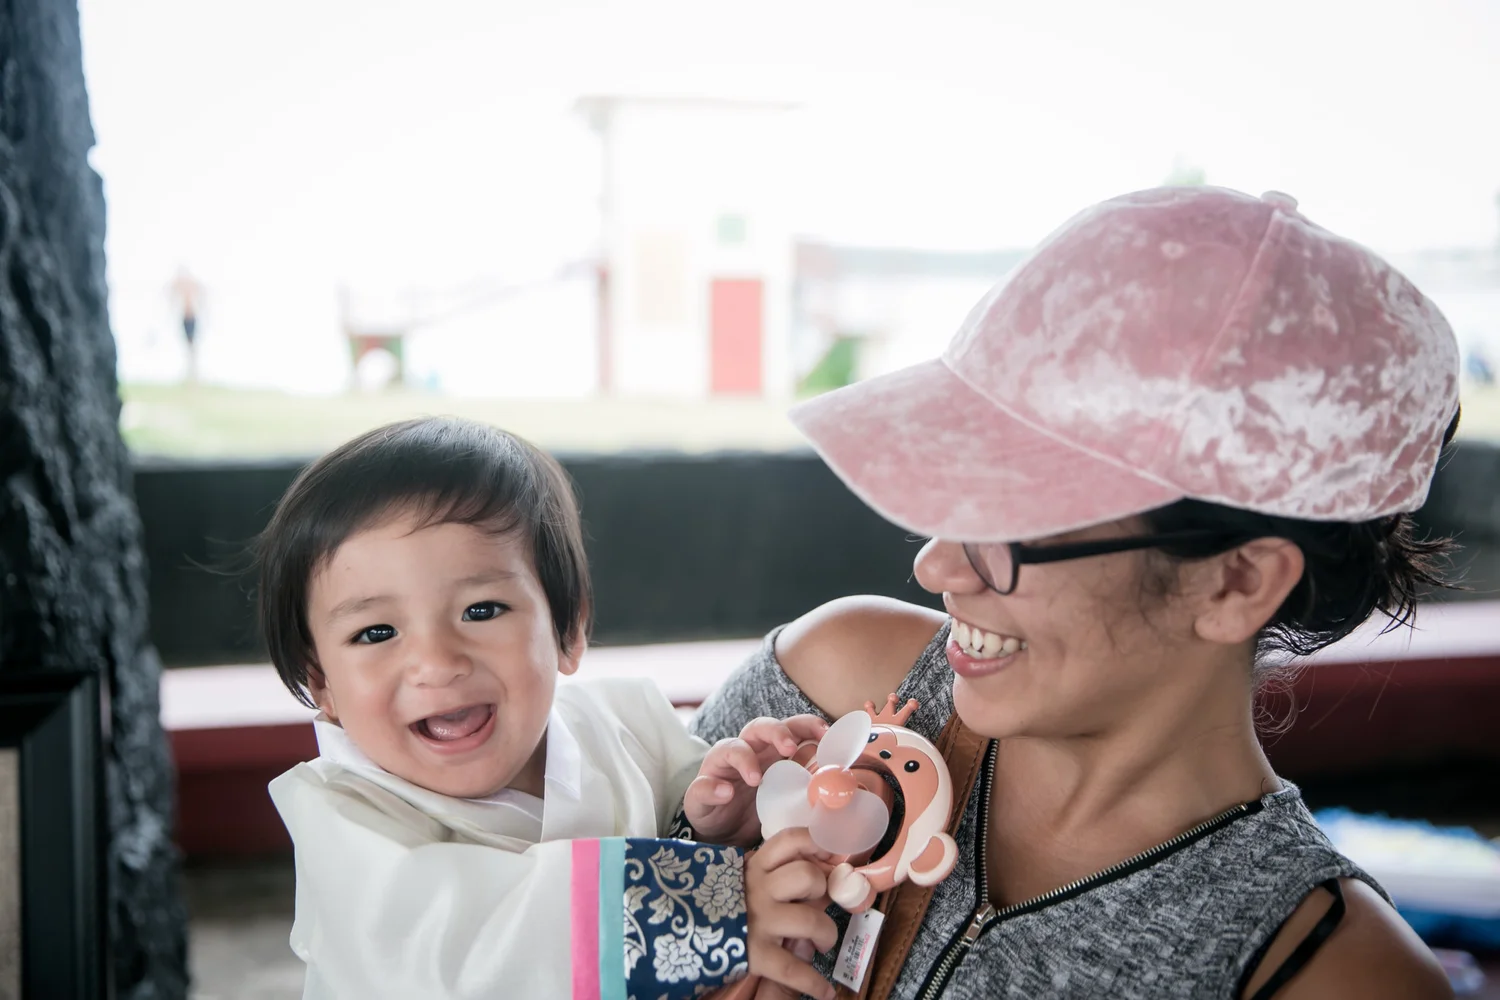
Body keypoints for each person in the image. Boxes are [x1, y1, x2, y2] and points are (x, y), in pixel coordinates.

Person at [693, 187, 1460, 999]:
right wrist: (702, 894)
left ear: (1236, 582)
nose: (938, 567)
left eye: (1015, 521)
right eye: (957, 492)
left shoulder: (1331, 974)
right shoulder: (826, 690)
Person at [262, 417, 841, 1000]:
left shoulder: (629, 722)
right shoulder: (341, 817)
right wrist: (715, 907)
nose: (436, 664)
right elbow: (458, 945)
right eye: (377, 632)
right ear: (322, 681)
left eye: (481, 611)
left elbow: (684, 832)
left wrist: (716, 821)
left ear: (568, 628)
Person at [169, 266, 203, 383]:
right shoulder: (179, 285)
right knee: (188, 347)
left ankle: (193, 374)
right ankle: (189, 374)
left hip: (192, 319)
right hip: (184, 318)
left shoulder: (192, 285)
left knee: (192, 348)